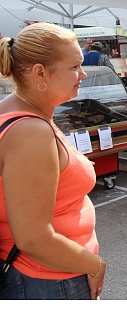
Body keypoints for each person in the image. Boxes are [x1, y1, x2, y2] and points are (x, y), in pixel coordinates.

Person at [0, 23, 105, 300]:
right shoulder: (30, 131)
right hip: (49, 280)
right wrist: (94, 265)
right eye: (74, 67)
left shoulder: (21, 110)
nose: (82, 74)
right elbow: (34, 238)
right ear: (40, 72)